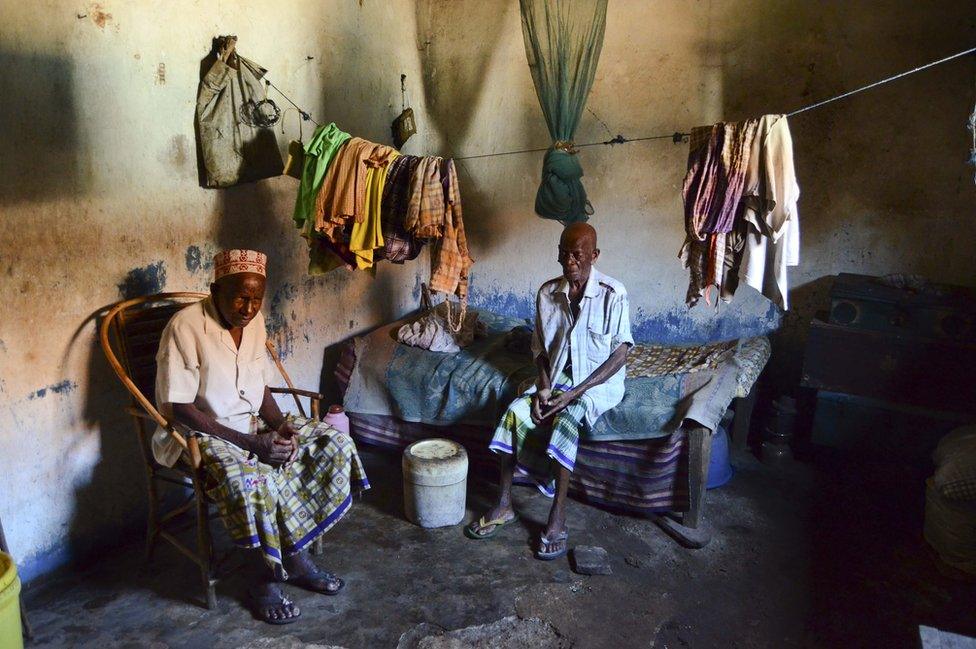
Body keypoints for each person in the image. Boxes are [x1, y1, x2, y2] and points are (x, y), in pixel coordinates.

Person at [153, 249, 369, 624]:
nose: (249, 307)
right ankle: (263, 578)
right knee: (252, 480)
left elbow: (260, 387)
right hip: (200, 432)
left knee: (332, 444)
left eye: (256, 298)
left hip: (251, 422)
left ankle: (295, 553)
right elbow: (180, 409)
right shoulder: (184, 328)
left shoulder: (254, 321)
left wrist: (280, 425)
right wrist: (252, 445)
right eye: (240, 296)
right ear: (214, 289)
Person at [465, 223, 633, 560]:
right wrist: (543, 388)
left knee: (566, 418)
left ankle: (558, 513)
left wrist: (575, 393)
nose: (569, 261)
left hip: (595, 384)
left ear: (594, 256)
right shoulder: (547, 293)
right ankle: (504, 503)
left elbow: (621, 353)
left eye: (577, 255)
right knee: (515, 411)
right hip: (556, 379)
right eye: (563, 253)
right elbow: (540, 351)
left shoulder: (614, 294)